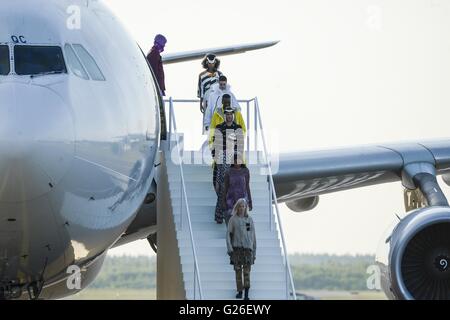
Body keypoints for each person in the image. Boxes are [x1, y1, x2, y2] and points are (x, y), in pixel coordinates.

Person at [211, 106, 244, 224]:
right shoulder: (219, 128)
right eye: (227, 114)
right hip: (222, 160)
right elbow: (215, 146)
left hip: (234, 161)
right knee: (221, 188)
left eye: (231, 114)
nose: (229, 116)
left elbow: (240, 147)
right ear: (224, 115)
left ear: (233, 115)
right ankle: (220, 214)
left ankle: (233, 215)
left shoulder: (238, 128)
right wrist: (217, 158)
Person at [226, 198, 256, 300]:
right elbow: (228, 234)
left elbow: (252, 236)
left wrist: (254, 251)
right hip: (237, 250)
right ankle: (240, 291)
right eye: (240, 206)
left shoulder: (249, 220)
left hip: (248, 250)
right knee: (238, 272)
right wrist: (229, 248)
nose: (242, 208)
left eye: (243, 206)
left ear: (246, 207)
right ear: (237, 207)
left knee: (247, 272)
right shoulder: (233, 220)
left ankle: (246, 295)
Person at [223, 157, 253, 225]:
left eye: (239, 161)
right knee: (231, 220)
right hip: (231, 199)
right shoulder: (228, 171)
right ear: (232, 162)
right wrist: (223, 201)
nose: (237, 163)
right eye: (235, 161)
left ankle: (243, 234)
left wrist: (250, 201)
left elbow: (247, 186)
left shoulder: (245, 171)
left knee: (243, 221)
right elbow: (226, 187)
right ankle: (231, 234)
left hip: (242, 200)